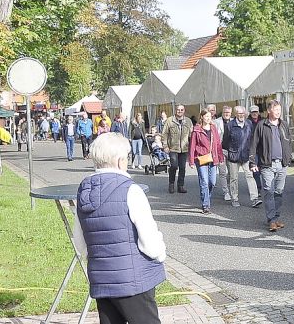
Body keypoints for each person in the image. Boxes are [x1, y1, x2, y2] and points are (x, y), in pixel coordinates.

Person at [72, 132, 166, 324]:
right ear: (119, 160)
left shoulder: (83, 191)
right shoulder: (131, 190)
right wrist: (160, 255)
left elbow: (80, 242)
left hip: (102, 279)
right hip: (133, 280)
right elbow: (149, 242)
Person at [249, 100, 292, 232]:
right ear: (269, 111)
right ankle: (271, 220)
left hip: (282, 164)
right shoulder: (262, 125)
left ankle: (276, 217)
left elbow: (288, 142)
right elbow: (254, 145)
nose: (278, 112)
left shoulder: (283, 124)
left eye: (279, 109)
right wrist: (252, 162)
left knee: (279, 192)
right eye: (275, 109)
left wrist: (288, 157)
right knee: (269, 191)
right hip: (267, 164)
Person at [223, 106, 260, 208]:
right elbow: (225, 142)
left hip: (246, 155)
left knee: (250, 176)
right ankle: (234, 198)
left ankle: (254, 199)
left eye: (243, 113)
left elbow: (252, 139)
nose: (241, 116)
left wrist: (251, 153)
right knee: (234, 178)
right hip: (233, 156)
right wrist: (230, 152)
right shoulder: (230, 125)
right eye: (239, 114)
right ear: (235, 114)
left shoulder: (249, 124)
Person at [189, 109, 224, 214]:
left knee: (212, 182)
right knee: (204, 181)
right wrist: (191, 161)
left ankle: (206, 197)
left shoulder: (213, 128)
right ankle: (205, 205)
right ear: (202, 117)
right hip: (201, 158)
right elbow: (192, 146)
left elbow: (218, 144)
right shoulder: (197, 130)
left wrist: (220, 157)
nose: (208, 118)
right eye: (206, 116)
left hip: (213, 157)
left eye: (210, 116)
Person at [163, 105, 193, 194]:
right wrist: (165, 146)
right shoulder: (169, 120)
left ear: (184, 111)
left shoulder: (188, 121)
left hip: (184, 148)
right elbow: (164, 134)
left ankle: (181, 185)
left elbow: (192, 135)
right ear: (175, 110)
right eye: (178, 110)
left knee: (182, 168)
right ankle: (171, 184)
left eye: (181, 110)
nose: (180, 111)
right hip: (173, 148)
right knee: (174, 166)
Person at [213, 105, 232, 201]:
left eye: (228, 113)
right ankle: (226, 192)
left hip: (232, 151)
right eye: (225, 113)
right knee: (222, 172)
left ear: (231, 113)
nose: (226, 114)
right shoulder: (216, 122)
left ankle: (228, 186)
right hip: (221, 150)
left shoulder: (234, 121)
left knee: (232, 173)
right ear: (222, 112)